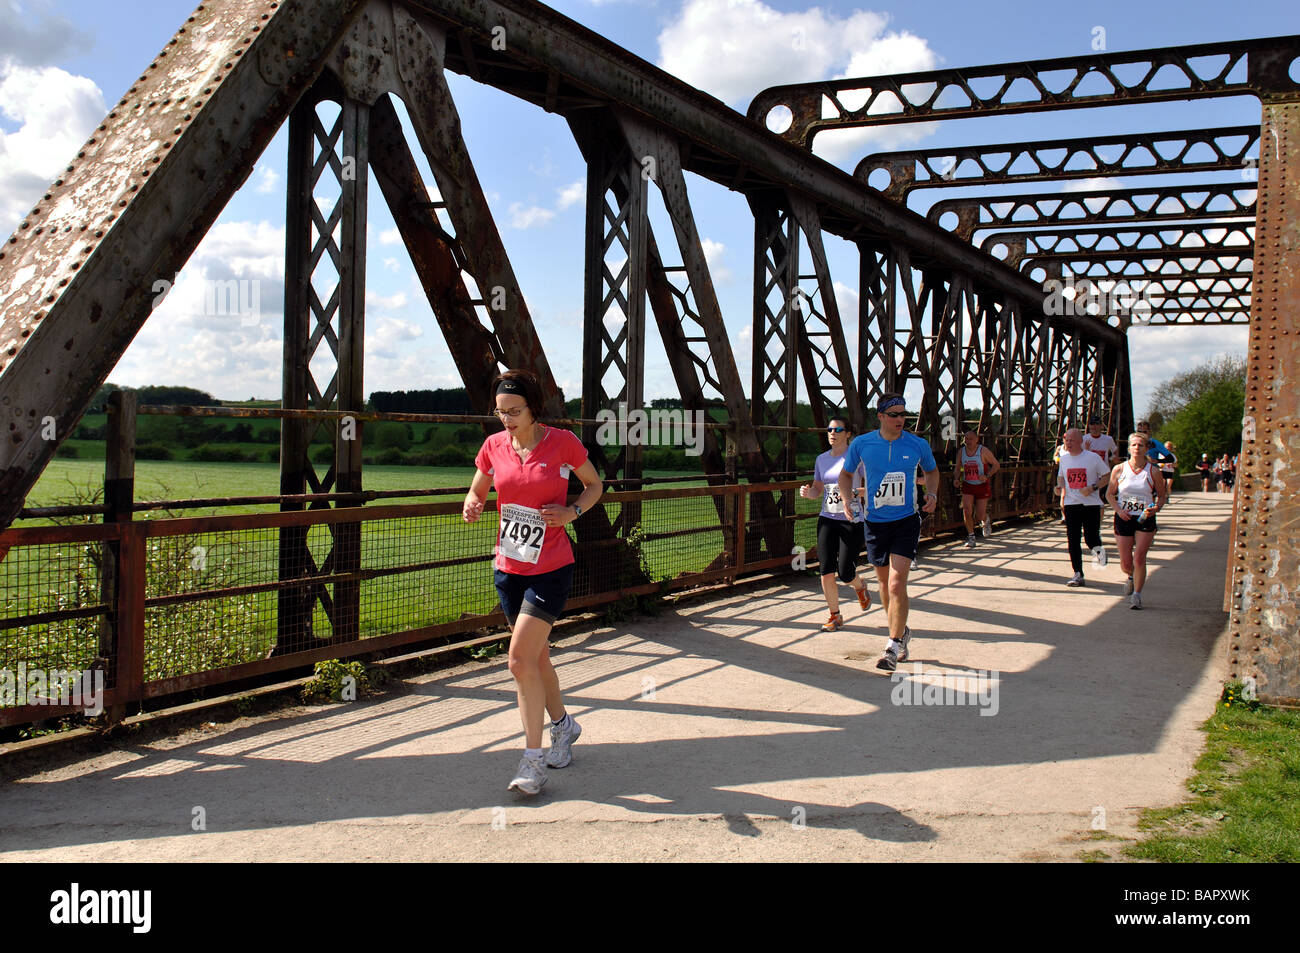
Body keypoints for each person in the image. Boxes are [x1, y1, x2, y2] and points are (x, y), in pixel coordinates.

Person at [463, 369, 604, 796]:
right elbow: (479, 489)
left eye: (514, 411)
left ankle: (532, 760)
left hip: (552, 566)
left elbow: (594, 485)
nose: (505, 419)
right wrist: (473, 503)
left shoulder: (562, 442)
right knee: (537, 659)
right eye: (500, 412)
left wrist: (572, 512)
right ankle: (564, 726)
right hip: (509, 567)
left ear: (533, 408)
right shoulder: (493, 446)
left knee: (518, 661)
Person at [837, 393, 939, 672]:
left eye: (903, 414)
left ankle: (892, 645)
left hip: (906, 520)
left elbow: (932, 471)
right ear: (880, 416)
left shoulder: (917, 444)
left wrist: (931, 492)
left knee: (896, 584)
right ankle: (901, 631)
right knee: (883, 584)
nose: (900, 419)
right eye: (893, 414)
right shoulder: (862, 444)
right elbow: (846, 476)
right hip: (875, 522)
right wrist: (847, 500)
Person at [800, 415, 871, 631]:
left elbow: (871, 488)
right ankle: (835, 615)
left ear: (848, 434)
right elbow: (818, 488)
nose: (832, 433)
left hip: (852, 519)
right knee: (826, 570)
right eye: (829, 430)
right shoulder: (821, 459)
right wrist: (808, 493)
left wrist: (851, 493)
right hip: (827, 519)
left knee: (845, 572)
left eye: (838, 430)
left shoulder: (857, 458)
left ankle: (859, 586)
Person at [1109, 432, 1168, 609]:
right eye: (1133, 445)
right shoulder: (1119, 469)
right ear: (1129, 448)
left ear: (1146, 449)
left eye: (1140, 445)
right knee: (1126, 562)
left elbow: (1162, 496)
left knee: (1140, 558)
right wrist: (1118, 510)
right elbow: (1109, 494)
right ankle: (1131, 576)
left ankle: (1137, 595)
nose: (1136, 448)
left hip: (1145, 518)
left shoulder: (1154, 472)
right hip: (1124, 517)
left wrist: (1156, 509)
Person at [1056, 427, 1112, 587]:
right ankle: (1078, 574)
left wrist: (1093, 488)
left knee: (1091, 538)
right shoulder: (1064, 459)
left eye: (1072, 440)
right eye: (1066, 440)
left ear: (1081, 441)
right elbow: (1061, 477)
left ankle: (1100, 553)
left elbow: (1107, 476)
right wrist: (1059, 487)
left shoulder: (1092, 458)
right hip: (1071, 504)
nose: (1069, 443)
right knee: (1073, 540)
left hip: (1091, 504)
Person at [953, 428, 1000, 548]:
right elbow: (957, 468)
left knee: (979, 514)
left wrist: (987, 475)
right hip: (968, 484)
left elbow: (996, 465)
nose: (968, 441)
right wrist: (956, 479)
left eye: (971, 439)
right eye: (966, 439)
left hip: (981, 485)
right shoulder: (961, 452)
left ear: (977, 440)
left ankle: (985, 520)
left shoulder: (983, 451)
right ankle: (971, 536)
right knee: (967, 510)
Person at [1082, 416, 1117, 505]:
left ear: (1101, 426)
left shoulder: (1108, 439)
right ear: (1089, 426)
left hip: (1103, 474)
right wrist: (1086, 450)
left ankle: (1099, 515)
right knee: (1091, 498)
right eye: (1092, 424)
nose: (1094, 427)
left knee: (1100, 499)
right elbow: (1078, 455)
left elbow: (1115, 451)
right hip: (1089, 473)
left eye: (1097, 424)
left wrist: (1111, 458)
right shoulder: (1084, 439)